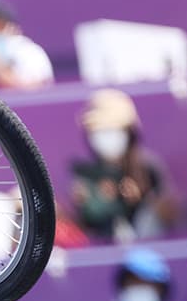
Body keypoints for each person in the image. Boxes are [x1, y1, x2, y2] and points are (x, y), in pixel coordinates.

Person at [68, 88, 178, 243]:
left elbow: (171, 215)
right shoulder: (87, 174)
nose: (106, 137)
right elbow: (84, 226)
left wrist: (144, 197)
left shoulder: (149, 167)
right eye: (99, 131)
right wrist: (86, 202)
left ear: (130, 132)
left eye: (113, 130)